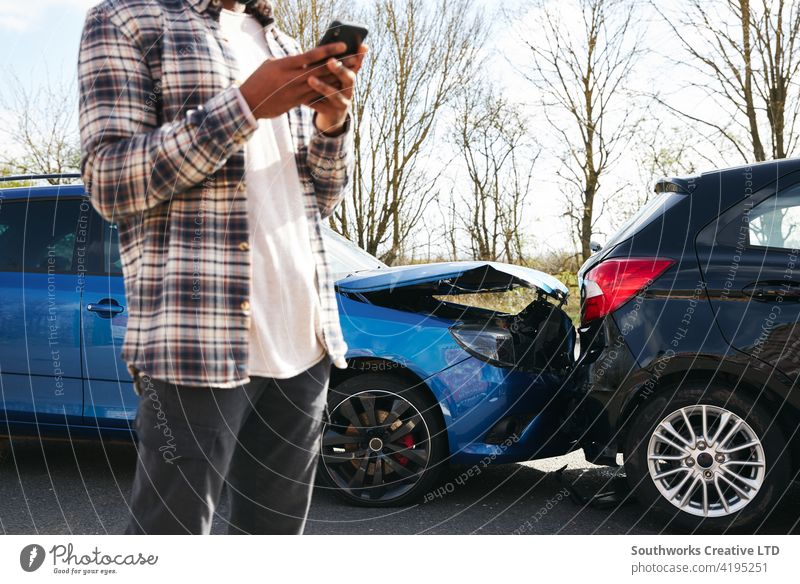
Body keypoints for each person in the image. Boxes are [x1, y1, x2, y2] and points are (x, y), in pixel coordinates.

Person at [77, 0, 366, 534]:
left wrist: (332, 121)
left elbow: (319, 199)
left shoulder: (279, 44)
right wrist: (248, 104)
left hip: (304, 338)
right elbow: (109, 180)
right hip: (197, 340)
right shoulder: (128, 19)